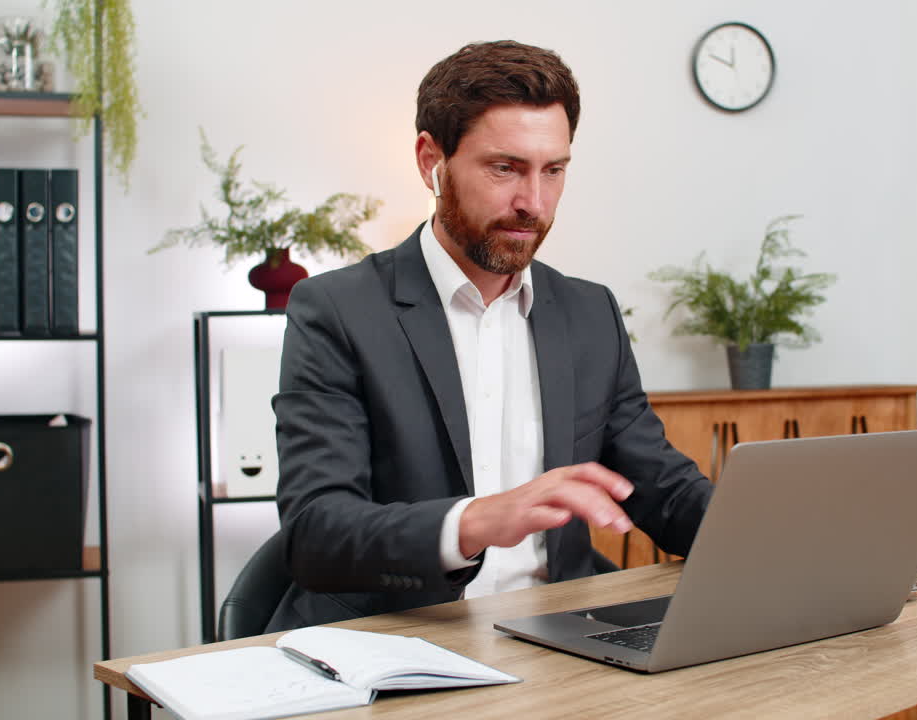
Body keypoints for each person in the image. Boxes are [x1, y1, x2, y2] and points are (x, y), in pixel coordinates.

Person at [265, 40, 713, 632]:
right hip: (401, 641)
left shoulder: (588, 312)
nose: (533, 203)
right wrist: (475, 522)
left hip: (566, 638)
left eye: (553, 171)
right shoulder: (337, 310)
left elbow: (662, 488)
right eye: (505, 168)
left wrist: (782, 530)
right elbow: (316, 533)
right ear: (432, 160)